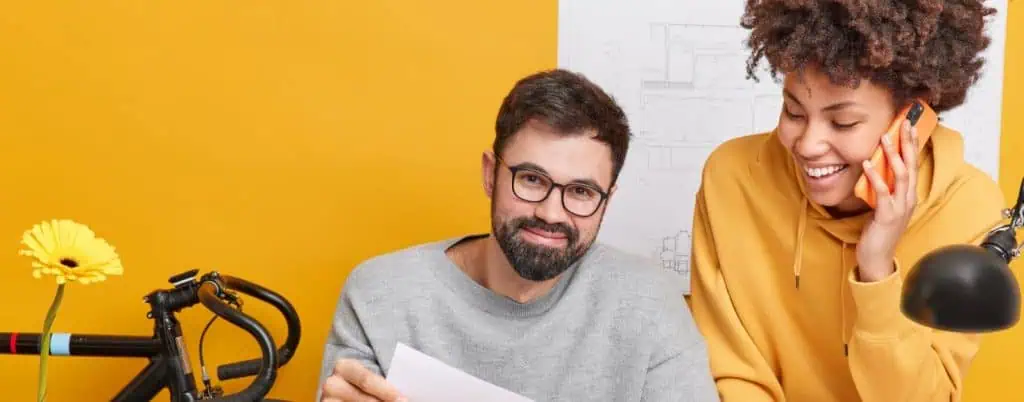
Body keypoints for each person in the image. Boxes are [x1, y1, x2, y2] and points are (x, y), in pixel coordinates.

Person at [317, 69, 719, 402]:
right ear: (490, 173)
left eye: (581, 192)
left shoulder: (650, 304)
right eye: (531, 179)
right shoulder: (380, 296)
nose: (550, 213)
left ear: (606, 201)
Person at [687, 1, 1004, 401]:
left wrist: (877, 272)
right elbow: (730, 369)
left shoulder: (968, 207)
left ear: (911, 119)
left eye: (843, 122)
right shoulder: (733, 178)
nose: (808, 145)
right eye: (794, 112)